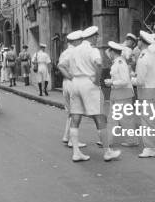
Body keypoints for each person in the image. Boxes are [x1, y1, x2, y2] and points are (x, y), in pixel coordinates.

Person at [68, 26, 121, 162]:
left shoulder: (74, 50)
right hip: (88, 83)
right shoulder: (93, 50)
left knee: (75, 117)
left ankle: (76, 152)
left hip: (75, 83)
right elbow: (98, 65)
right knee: (100, 117)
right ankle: (107, 151)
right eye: (96, 36)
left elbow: (66, 65)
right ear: (92, 37)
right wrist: (97, 81)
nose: (97, 38)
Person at [133, 31, 155, 158]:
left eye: (138, 40)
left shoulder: (142, 57)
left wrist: (130, 80)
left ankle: (150, 148)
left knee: (147, 121)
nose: (137, 42)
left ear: (141, 41)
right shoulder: (152, 55)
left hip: (146, 92)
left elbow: (139, 81)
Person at [56, 30, 86, 149]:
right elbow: (60, 66)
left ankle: (66, 136)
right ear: (76, 41)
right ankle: (73, 141)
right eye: (80, 40)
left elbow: (60, 65)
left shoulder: (65, 52)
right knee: (76, 112)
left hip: (66, 83)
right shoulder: (75, 51)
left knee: (70, 112)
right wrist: (70, 76)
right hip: (73, 83)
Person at [104, 41, 137, 148]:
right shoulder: (117, 62)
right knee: (113, 118)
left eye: (109, 52)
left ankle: (131, 140)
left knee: (125, 119)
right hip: (117, 93)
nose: (108, 54)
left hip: (123, 93)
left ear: (113, 52)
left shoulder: (120, 63)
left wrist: (112, 82)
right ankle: (108, 140)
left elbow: (125, 80)